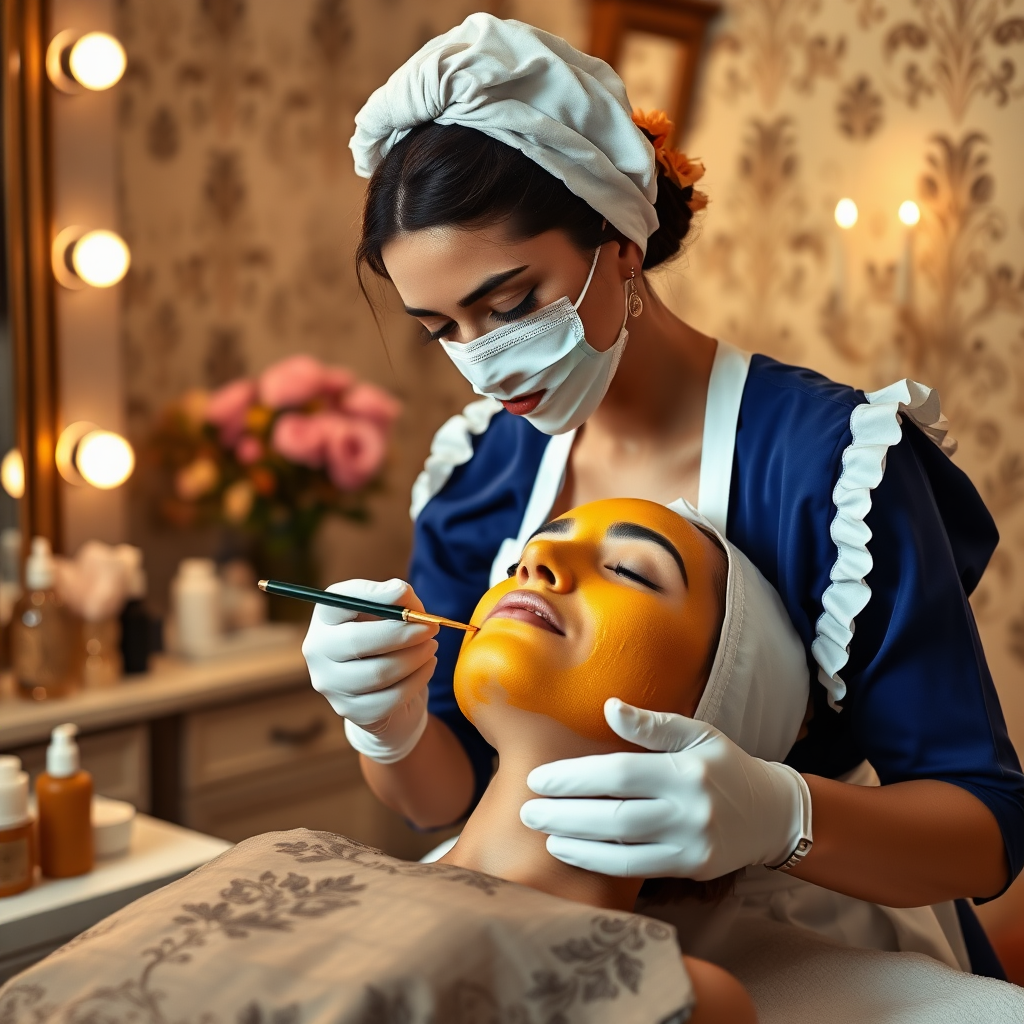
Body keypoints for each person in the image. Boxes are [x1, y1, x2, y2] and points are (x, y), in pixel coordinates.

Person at [302, 13, 1024, 976]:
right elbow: (447, 801)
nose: (484, 363)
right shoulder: (481, 472)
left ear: (621, 245)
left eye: (512, 304)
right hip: (541, 925)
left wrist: (781, 816)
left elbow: (983, 832)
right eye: (442, 327)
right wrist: (386, 725)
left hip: (804, 939)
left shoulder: (828, 467)